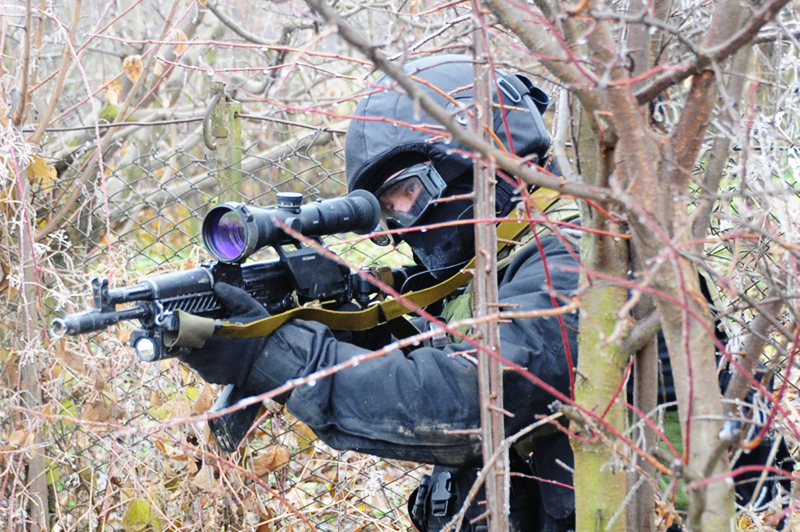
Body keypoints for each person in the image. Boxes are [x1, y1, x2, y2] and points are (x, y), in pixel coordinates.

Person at [182, 54, 580, 532]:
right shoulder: (493, 267)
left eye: (408, 194)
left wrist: (278, 360)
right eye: (389, 212)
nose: (403, 229)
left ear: (485, 155)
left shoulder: (580, 257)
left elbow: (478, 399)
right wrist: (348, 333)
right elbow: (435, 356)